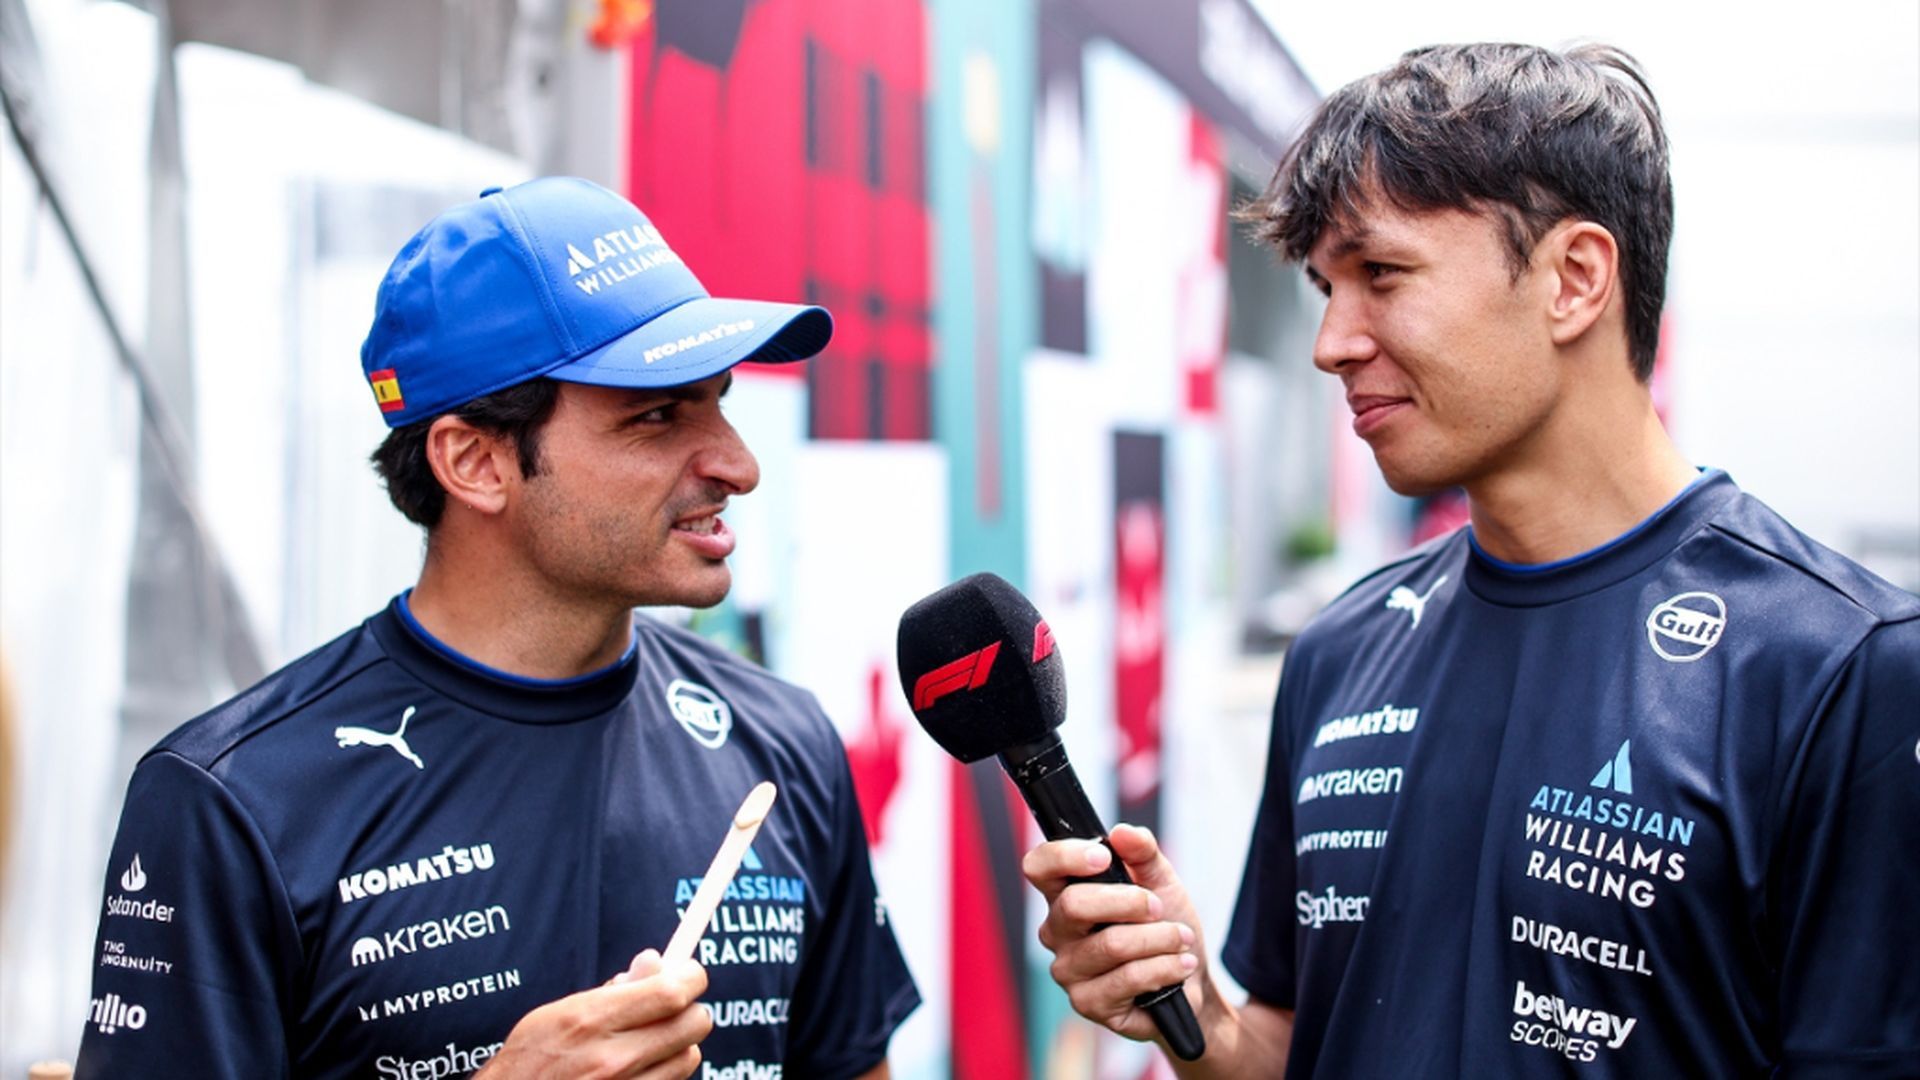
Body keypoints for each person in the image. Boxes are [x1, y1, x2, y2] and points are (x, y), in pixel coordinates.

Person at [1023, 42, 1920, 1077]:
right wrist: (1198, 1015)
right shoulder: (1339, 651)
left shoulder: (1841, 666)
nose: (1330, 343)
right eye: (1325, 287)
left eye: (1381, 274)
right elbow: (1293, 1047)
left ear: (1574, 280)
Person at [77, 177, 919, 1079]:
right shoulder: (233, 801)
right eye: (657, 415)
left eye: (720, 401)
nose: (738, 465)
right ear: (475, 462)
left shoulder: (783, 741)